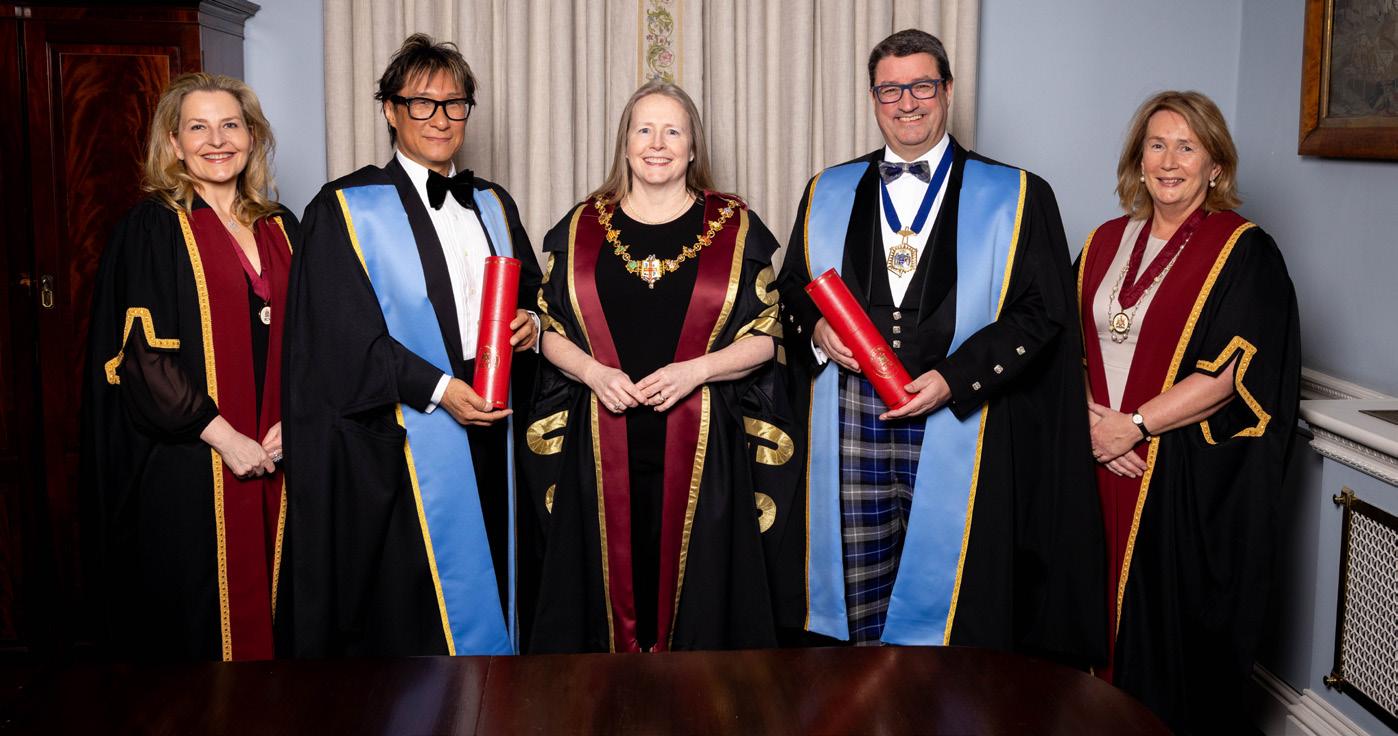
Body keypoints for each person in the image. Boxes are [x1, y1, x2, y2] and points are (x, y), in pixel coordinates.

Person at [775, 29, 1104, 663]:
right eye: (890, 90)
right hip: (848, 416)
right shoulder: (827, 189)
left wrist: (957, 378)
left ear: (948, 91)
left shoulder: (1018, 194)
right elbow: (793, 288)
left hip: (964, 422)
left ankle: (938, 706)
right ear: (873, 98)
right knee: (857, 593)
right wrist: (816, 330)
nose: (907, 103)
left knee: (953, 611)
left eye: (922, 86)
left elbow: (1043, 313)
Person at [282, 34, 540, 657]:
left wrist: (533, 322)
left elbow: (535, 290)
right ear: (391, 111)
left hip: (494, 422)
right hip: (403, 438)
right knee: (418, 619)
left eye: (455, 104)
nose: (440, 119)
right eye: (422, 103)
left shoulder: (492, 202)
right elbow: (341, 336)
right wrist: (441, 390)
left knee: (501, 565)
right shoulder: (345, 208)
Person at [525, 81, 794, 653]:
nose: (657, 144)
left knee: (702, 608)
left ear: (693, 147)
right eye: (643, 129)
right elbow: (547, 330)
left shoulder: (735, 226)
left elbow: (767, 336)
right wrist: (594, 375)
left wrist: (695, 371)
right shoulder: (580, 226)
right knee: (599, 601)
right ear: (624, 143)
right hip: (598, 442)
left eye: (673, 131)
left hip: (705, 447)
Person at [1079, 90, 1300, 733]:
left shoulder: (1244, 251)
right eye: (1156, 145)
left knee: (1159, 642)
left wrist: (1133, 427)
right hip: (1092, 462)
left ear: (1215, 165)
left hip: (1172, 476)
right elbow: (1063, 343)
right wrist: (1091, 423)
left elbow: (1232, 374)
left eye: (1187, 147)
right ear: (1138, 159)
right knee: (1082, 614)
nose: (1169, 161)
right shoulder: (1103, 241)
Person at [81, 73, 296, 661]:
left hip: (282, 458)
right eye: (198, 127)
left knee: (287, 624)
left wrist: (295, 422)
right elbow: (143, 361)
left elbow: (316, 340)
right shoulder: (153, 228)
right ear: (174, 143)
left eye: (231, 125)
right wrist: (228, 440)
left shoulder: (281, 226)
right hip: (194, 463)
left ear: (251, 136)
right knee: (199, 638)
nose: (217, 141)